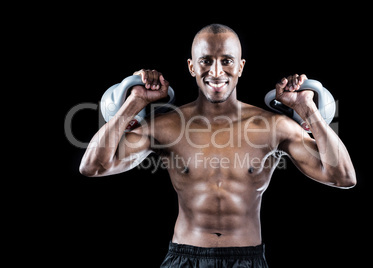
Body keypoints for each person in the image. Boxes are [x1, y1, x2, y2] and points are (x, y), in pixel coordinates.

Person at [79, 24, 356, 268]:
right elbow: (93, 166)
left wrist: (308, 109)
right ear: (191, 67)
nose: (215, 71)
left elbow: (343, 177)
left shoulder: (273, 127)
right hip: (184, 258)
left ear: (240, 67)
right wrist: (135, 102)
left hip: (247, 259)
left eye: (226, 61)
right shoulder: (167, 127)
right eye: (206, 61)